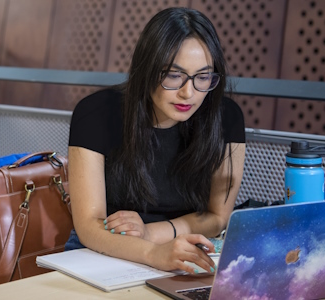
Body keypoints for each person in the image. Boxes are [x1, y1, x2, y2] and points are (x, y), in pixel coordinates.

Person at [66, 7, 246, 275]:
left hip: (185, 249)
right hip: (108, 249)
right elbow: (89, 226)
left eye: (203, 77)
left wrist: (152, 234)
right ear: (147, 69)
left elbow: (217, 216)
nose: (189, 93)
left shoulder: (225, 116)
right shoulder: (96, 113)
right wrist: (152, 253)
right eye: (174, 75)